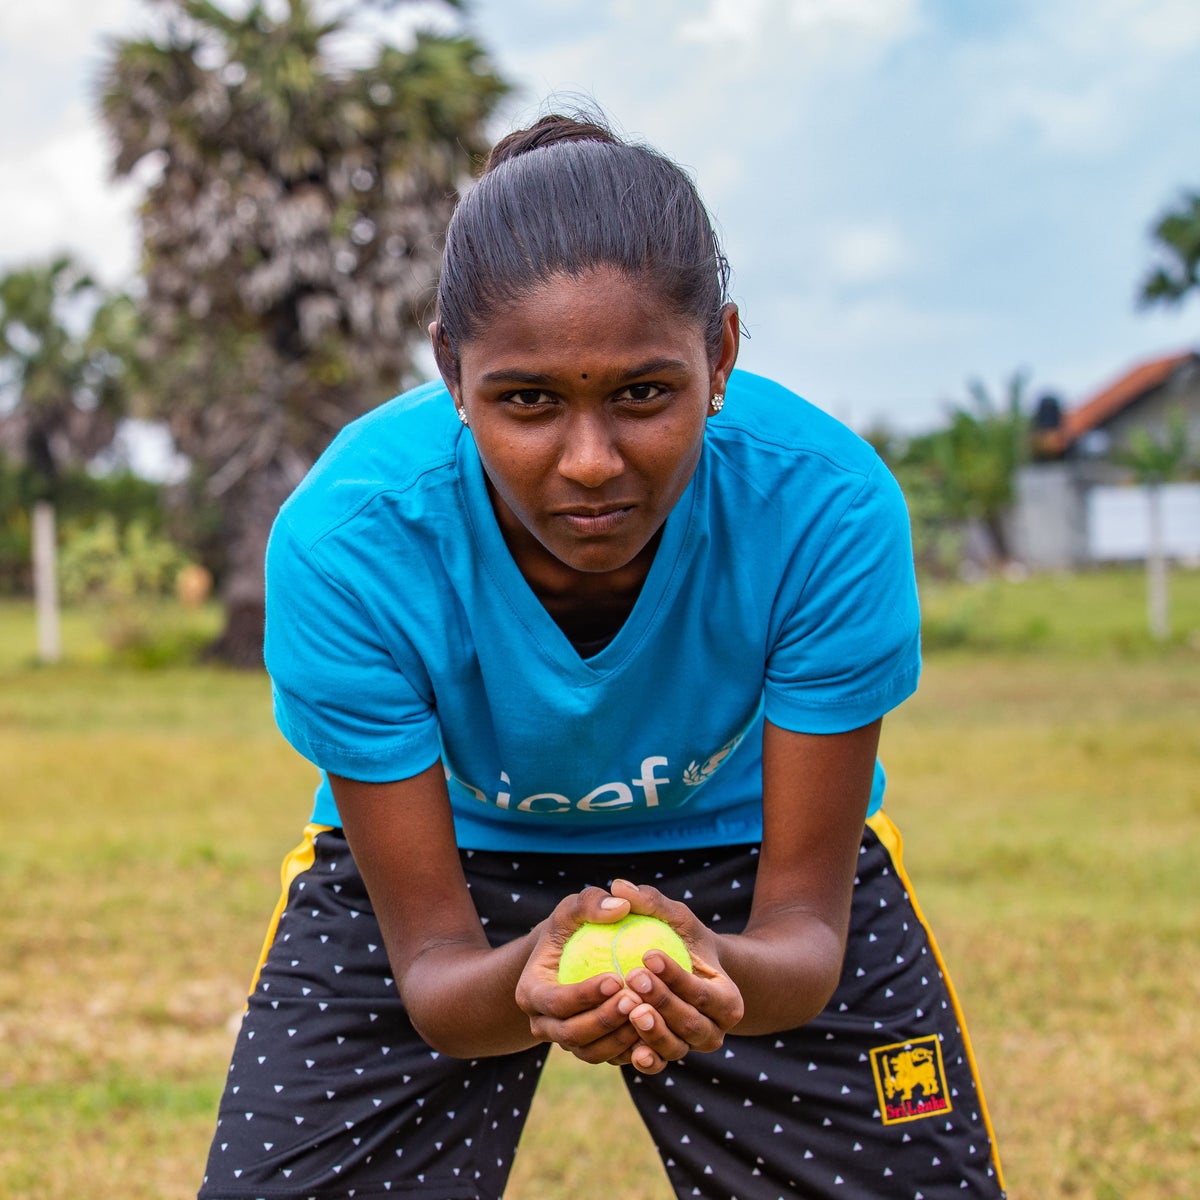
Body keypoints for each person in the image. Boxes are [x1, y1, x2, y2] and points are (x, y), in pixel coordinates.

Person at [198, 111, 1006, 1200]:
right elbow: (436, 978)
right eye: (527, 401)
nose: (590, 462)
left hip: (745, 853)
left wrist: (711, 969)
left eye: (643, 395)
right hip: (452, 866)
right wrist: (522, 986)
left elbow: (807, 937)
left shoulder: (822, 507)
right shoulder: (354, 539)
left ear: (719, 353)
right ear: (450, 368)